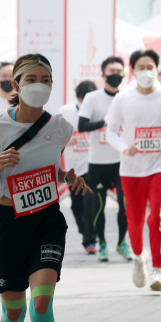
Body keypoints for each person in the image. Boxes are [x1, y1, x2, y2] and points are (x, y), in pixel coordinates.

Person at [0, 54, 92, 322]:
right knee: (13, 315)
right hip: (7, 223)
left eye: (45, 79)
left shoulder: (60, 127)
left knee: (41, 307)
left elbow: (49, 167)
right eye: (31, 79)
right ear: (16, 84)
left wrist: (66, 176)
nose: (39, 85)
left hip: (46, 220)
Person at [105, 49, 161, 292]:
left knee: (156, 217)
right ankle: (138, 258)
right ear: (133, 71)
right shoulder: (122, 98)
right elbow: (110, 132)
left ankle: (158, 270)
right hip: (132, 170)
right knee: (134, 221)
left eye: (151, 67)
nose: (146, 72)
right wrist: (125, 148)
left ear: (157, 69)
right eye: (141, 67)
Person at [78, 56, 133, 261]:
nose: (116, 74)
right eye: (112, 71)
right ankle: (102, 243)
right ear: (103, 74)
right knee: (98, 205)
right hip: (98, 161)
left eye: (120, 70)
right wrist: (106, 123)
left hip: (122, 161)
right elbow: (82, 125)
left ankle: (122, 242)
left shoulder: (128, 96)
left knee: (124, 204)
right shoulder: (92, 98)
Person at [58, 80, 96, 249]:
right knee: (76, 205)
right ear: (79, 98)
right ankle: (84, 230)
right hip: (74, 168)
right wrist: (65, 140)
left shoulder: (98, 112)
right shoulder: (66, 112)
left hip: (94, 165)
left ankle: (89, 240)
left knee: (90, 203)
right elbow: (52, 135)